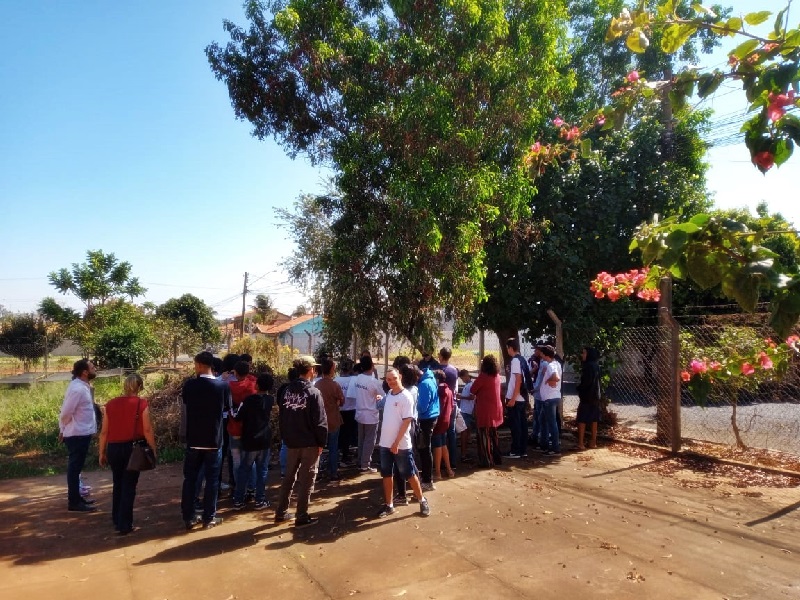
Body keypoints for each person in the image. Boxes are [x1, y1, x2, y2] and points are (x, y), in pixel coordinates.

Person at [98, 373, 156, 535]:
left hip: (113, 448)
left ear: (125, 386)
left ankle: (117, 518)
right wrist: (153, 448)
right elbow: (147, 429)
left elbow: (104, 432)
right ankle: (125, 524)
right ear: (140, 387)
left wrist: (101, 452)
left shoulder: (110, 404)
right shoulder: (141, 403)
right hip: (132, 448)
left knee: (117, 483)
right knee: (129, 485)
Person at [181, 351, 232, 530]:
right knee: (212, 480)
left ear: (200, 365)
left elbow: (186, 403)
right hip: (214, 440)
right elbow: (227, 408)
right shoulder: (222, 386)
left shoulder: (189, 385)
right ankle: (208, 517)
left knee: (190, 479)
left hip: (194, 439)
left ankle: (188, 517)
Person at [275, 356, 328, 527]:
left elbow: (282, 416)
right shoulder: (313, 392)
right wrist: (321, 443)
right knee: (307, 480)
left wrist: (285, 437)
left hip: (291, 442)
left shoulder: (286, 390)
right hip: (309, 443)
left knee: (288, 477)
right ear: (311, 370)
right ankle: (302, 515)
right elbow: (320, 422)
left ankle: (281, 512)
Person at [375, 368, 430, 518]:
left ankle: (422, 500)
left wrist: (396, 443)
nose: (391, 381)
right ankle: (389, 505)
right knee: (387, 474)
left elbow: (407, 421)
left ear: (400, 377)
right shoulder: (389, 394)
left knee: (409, 473)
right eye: (388, 379)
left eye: (394, 378)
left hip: (401, 445)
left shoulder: (406, 396)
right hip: (385, 443)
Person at [59, 359, 99, 512]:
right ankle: (74, 502)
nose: (95, 369)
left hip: (81, 433)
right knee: (74, 469)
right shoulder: (78, 389)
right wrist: (63, 429)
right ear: (85, 372)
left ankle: (77, 498)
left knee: (76, 469)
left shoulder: (82, 386)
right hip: (77, 434)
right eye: (92, 367)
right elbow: (66, 413)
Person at [231, 373, 274, 510]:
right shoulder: (270, 400)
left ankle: (238, 500)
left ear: (257, 385)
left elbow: (237, 416)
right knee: (262, 471)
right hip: (264, 440)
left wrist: (231, 408)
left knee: (244, 470)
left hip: (249, 440)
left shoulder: (248, 400)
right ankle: (260, 500)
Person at [470, 355, 504, 468]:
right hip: (496, 408)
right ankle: (497, 458)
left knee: (484, 435)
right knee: (494, 435)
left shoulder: (483, 377)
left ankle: (487, 461)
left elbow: (473, 389)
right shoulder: (497, 375)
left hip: (485, 410)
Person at [315, 357, 345, 481]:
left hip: (319, 421)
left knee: (318, 448)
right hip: (333, 420)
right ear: (332, 369)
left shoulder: (317, 385)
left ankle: (316, 472)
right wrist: (336, 402)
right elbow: (342, 401)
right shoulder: (334, 385)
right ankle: (333, 473)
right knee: (333, 447)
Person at [353, 356, 384, 472]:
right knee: (369, 441)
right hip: (371, 415)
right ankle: (365, 464)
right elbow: (383, 395)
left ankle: (360, 461)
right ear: (372, 366)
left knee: (361, 439)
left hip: (359, 413)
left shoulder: (358, 378)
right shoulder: (374, 381)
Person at [415, 365, 440, 491]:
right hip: (431, 416)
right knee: (425, 449)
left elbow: (422, 407)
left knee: (425, 449)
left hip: (426, 418)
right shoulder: (429, 378)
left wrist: (413, 406)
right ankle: (426, 478)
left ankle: (427, 480)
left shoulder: (424, 384)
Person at [504, 338, 528, 458]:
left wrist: (513, 398)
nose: (507, 350)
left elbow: (518, 380)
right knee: (522, 424)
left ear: (510, 348)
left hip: (516, 398)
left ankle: (515, 450)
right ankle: (522, 450)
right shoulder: (522, 359)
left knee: (515, 425)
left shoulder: (515, 360)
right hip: (521, 397)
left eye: (507, 348)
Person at [538, 346, 563, 456]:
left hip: (550, 398)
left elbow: (556, 377)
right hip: (552, 397)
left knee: (552, 423)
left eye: (542, 354)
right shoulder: (556, 363)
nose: (541, 356)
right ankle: (544, 444)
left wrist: (548, 380)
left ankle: (555, 448)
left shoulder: (551, 365)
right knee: (543, 420)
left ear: (545, 355)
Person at [576, 346, 602, 451]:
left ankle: (581, 443)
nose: (582, 355)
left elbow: (586, 382)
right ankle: (593, 442)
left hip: (587, 396)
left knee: (582, 419)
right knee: (594, 419)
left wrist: (579, 388)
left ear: (589, 354)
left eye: (584, 353)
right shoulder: (596, 366)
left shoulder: (587, 367)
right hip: (596, 396)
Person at [432, 370, 455, 479]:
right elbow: (452, 406)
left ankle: (438, 473)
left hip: (438, 421)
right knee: (443, 445)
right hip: (446, 420)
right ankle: (449, 470)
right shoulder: (449, 390)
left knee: (437, 446)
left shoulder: (439, 390)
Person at [456, 369, 475, 460]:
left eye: (463, 378)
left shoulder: (471, 385)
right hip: (464, 410)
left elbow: (472, 397)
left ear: (466, 376)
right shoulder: (467, 385)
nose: (462, 380)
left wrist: (461, 397)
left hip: (467, 411)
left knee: (464, 432)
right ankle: (465, 450)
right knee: (465, 431)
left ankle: (463, 453)